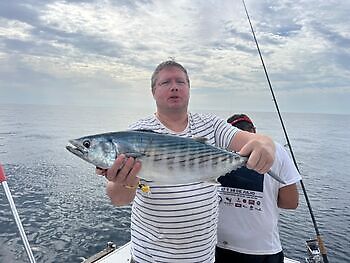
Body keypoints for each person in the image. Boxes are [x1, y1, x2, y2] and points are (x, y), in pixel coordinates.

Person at [97, 60, 276, 263]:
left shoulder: (212, 125)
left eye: (180, 82)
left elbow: (256, 140)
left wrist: (266, 145)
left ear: (189, 89)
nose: (174, 86)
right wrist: (125, 180)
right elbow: (118, 199)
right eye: (165, 82)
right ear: (153, 92)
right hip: (150, 259)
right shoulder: (136, 134)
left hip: (202, 258)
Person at [215, 114, 301, 263]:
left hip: (217, 244)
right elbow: (290, 202)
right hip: (262, 249)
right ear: (253, 130)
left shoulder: (216, 151)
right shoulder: (277, 150)